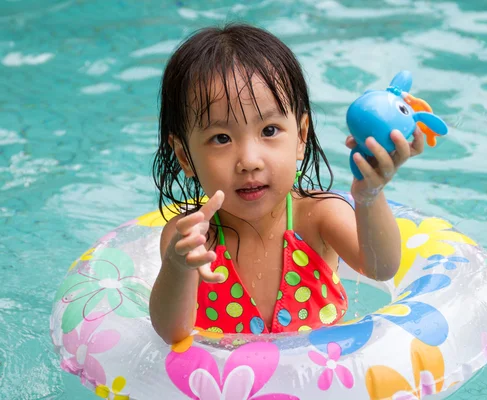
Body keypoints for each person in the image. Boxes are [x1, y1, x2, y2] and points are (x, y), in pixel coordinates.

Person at [149, 23, 424, 344]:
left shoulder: (318, 217)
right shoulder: (191, 239)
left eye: (269, 131)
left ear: (301, 135)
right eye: (221, 138)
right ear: (184, 156)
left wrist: (370, 196)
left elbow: (381, 269)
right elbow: (173, 333)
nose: (249, 160)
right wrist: (178, 267)